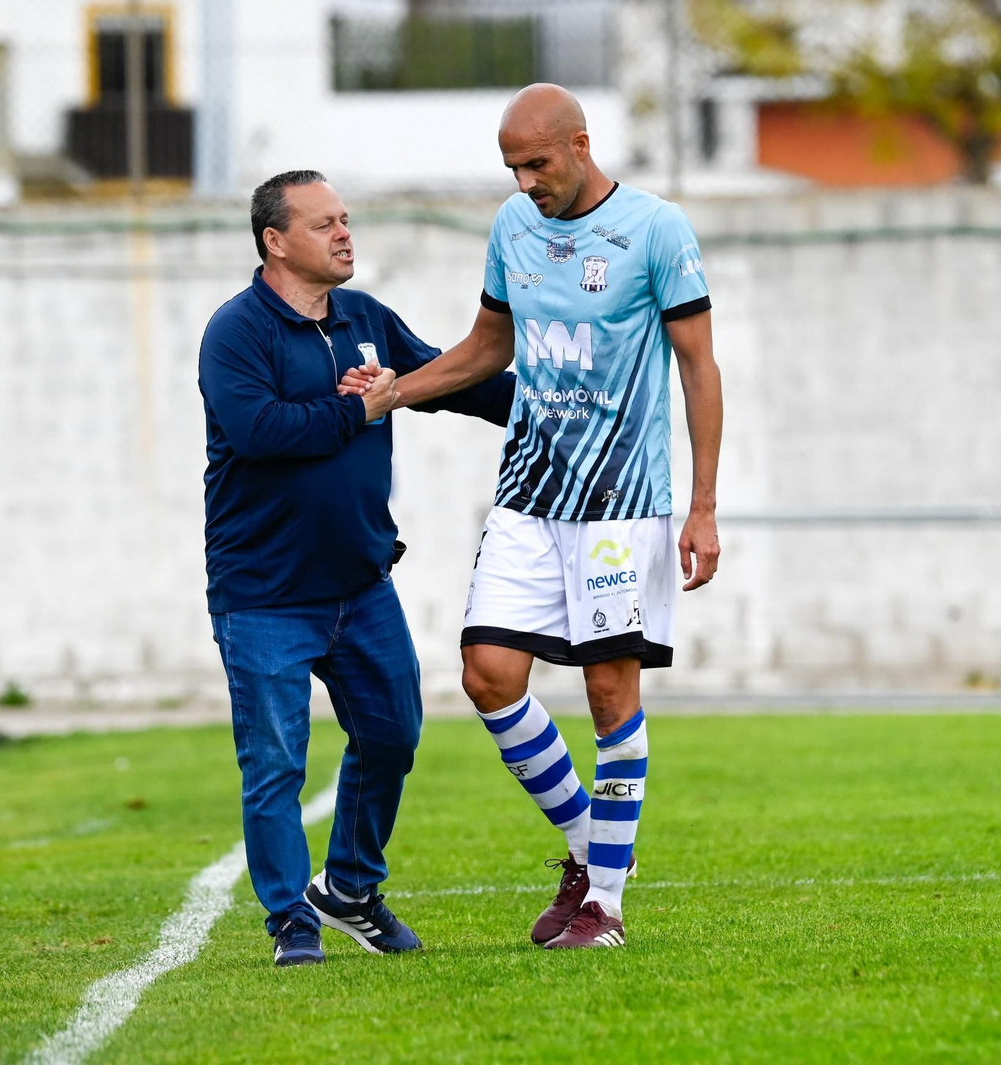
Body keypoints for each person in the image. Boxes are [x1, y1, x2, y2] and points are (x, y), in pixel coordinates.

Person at [344, 84, 723, 950]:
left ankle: (605, 907)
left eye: (537, 164)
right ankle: (594, 848)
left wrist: (702, 505)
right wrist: (394, 393)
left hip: (622, 504)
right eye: (512, 167)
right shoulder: (514, 228)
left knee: (608, 692)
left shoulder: (657, 230)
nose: (524, 182)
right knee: (488, 673)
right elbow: (489, 347)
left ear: (580, 145)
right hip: (528, 491)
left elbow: (699, 368)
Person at [199, 169, 517, 967]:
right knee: (276, 763)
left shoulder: (365, 318)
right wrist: (362, 407)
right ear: (275, 241)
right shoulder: (236, 332)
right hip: (264, 596)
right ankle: (290, 921)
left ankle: (348, 888)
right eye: (324, 224)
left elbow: (452, 380)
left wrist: (554, 406)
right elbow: (261, 432)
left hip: (363, 588)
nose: (345, 234)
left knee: (393, 733)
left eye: (345, 219)